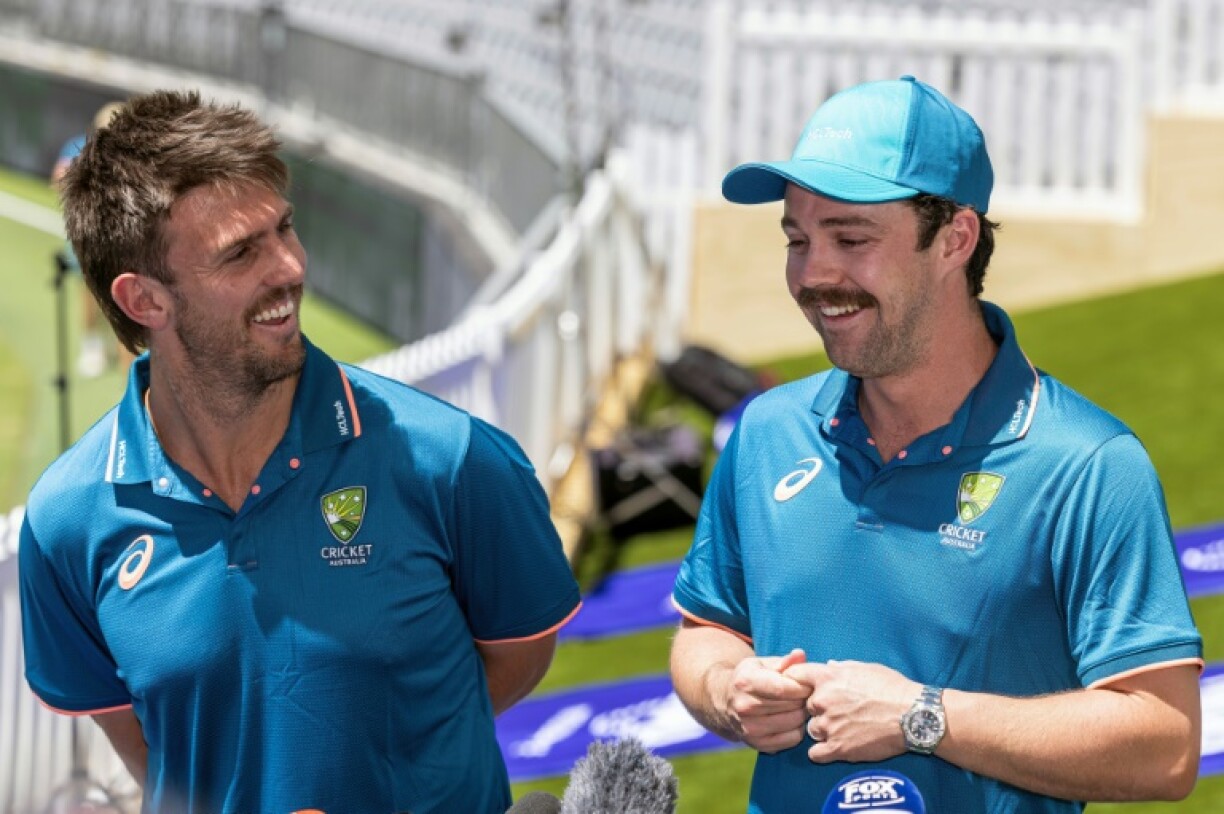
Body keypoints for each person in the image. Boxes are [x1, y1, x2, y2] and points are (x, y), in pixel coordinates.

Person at [20, 90, 582, 813]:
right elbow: (159, 749)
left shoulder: (455, 459)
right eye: (241, 253)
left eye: (284, 229)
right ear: (144, 301)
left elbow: (517, 655)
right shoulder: (65, 523)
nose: (289, 267)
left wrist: (393, 769)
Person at [669, 76, 1203, 813]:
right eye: (798, 240)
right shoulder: (766, 432)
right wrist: (729, 690)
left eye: (851, 240)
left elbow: (1165, 745)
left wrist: (921, 718)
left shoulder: (1088, 464)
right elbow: (706, 630)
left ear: (955, 237)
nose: (814, 274)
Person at [51, 101, 131, 378]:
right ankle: (92, 344)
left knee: (128, 305)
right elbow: (60, 180)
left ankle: (128, 370)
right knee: (90, 295)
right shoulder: (79, 148)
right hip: (89, 239)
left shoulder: (132, 158)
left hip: (124, 243)